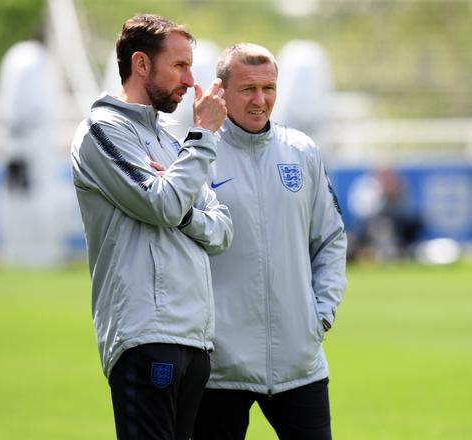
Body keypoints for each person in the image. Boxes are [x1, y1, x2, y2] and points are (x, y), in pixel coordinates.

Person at [71, 14, 232, 440]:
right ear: (141, 64)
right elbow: (163, 202)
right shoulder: (101, 131)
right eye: (178, 65)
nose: (189, 79)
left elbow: (221, 230)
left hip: (195, 339)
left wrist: (180, 202)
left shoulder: (173, 143)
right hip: (145, 334)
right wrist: (203, 137)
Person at [193, 43, 348, 440]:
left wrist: (321, 314)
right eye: (248, 89)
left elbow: (330, 238)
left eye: (269, 88)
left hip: (300, 360)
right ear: (221, 91)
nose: (260, 100)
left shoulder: (302, 151)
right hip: (220, 366)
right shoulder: (197, 155)